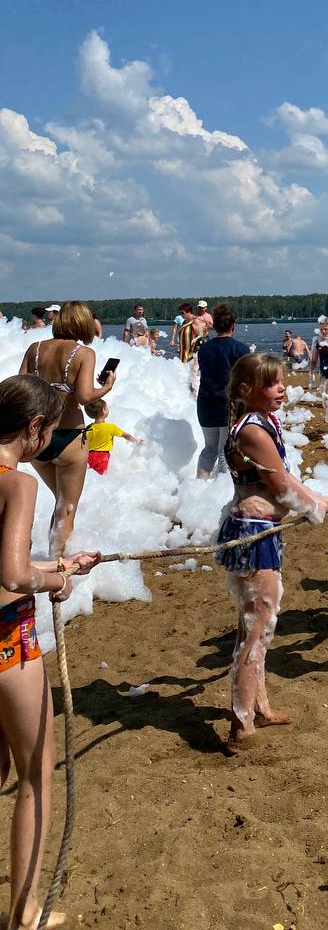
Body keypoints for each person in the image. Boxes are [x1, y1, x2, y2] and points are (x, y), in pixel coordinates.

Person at [0, 374, 101, 930]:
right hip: (7, 643)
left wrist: (59, 566)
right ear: (35, 427)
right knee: (36, 775)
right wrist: (54, 579)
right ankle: (25, 913)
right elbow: (13, 576)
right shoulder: (17, 484)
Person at [219, 354, 328, 752]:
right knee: (255, 631)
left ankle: (260, 707)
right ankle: (241, 725)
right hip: (252, 534)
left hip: (259, 530)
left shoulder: (260, 423)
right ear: (246, 390)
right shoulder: (253, 431)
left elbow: (284, 479)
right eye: (272, 383)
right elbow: (281, 487)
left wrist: (318, 498)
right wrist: (315, 508)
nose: (282, 388)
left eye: (282, 381)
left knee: (259, 626)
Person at [17, 301, 116, 557]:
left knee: (59, 500)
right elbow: (84, 396)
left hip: (38, 437)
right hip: (69, 435)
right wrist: (107, 387)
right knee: (67, 507)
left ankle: (44, 560)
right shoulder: (84, 353)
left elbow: (21, 389)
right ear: (83, 323)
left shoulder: (35, 349)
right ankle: (58, 567)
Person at [196, 305, 250, 478]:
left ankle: (198, 485)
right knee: (225, 451)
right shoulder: (241, 349)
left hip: (205, 402)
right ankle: (222, 489)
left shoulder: (204, 348)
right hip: (228, 404)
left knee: (209, 448)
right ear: (233, 326)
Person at [83, 398, 143, 475]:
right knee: (101, 476)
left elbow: (83, 443)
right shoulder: (111, 427)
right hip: (102, 457)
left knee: (91, 476)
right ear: (104, 410)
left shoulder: (88, 428)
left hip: (89, 456)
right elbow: (126, 435)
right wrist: (136, 441)